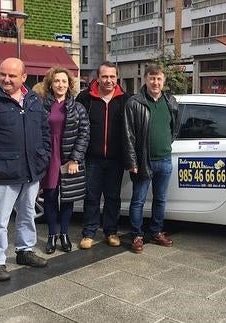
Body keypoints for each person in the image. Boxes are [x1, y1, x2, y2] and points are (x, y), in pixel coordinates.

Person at [0, 57, 51, 281]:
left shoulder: (32, 98)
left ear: (24, 77)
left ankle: (24, 251)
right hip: (2, 172)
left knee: (27, 215)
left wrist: (44, 157)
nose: (6, 79)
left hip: (31, 172)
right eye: (2, 74)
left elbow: (44, 130)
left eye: (12, 75)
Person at [123, 63, 178, 254]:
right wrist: (132, 161)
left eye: (159, 78)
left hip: (165, 160)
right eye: (152, 78)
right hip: (143, 161)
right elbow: (128, 134)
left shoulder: (170, 101)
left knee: (160, 199)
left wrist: (166, 144)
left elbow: (174, 128)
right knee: (138, 200)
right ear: (145, 79)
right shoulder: (135, 102)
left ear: (164, 81)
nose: (155, 82)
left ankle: (156, 232)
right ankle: (137, 235)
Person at [76, 61, 131, 250]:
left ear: (117, 78)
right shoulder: (85, 98)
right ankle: (89, 232)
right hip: (92, 158)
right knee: (91, 196)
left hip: (116, 159)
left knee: (112, 197)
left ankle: (111, 231)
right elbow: (76, 127)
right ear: (98, 78)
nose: (109, 80)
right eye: (105, 76)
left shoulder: (125, 99)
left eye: (112, 77)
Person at [39, 67, 90, 254]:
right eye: (57, 81)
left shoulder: (78, 108)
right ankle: (52, 235)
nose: (60, 84)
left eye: (64, 81)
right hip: (49, 157)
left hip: (69, 159)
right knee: (50, 197)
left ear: (69, 85)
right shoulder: (42, 106)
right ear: (51, 84)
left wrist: (75, 158)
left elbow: (84, 134)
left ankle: (64, 234)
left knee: (67, 198)